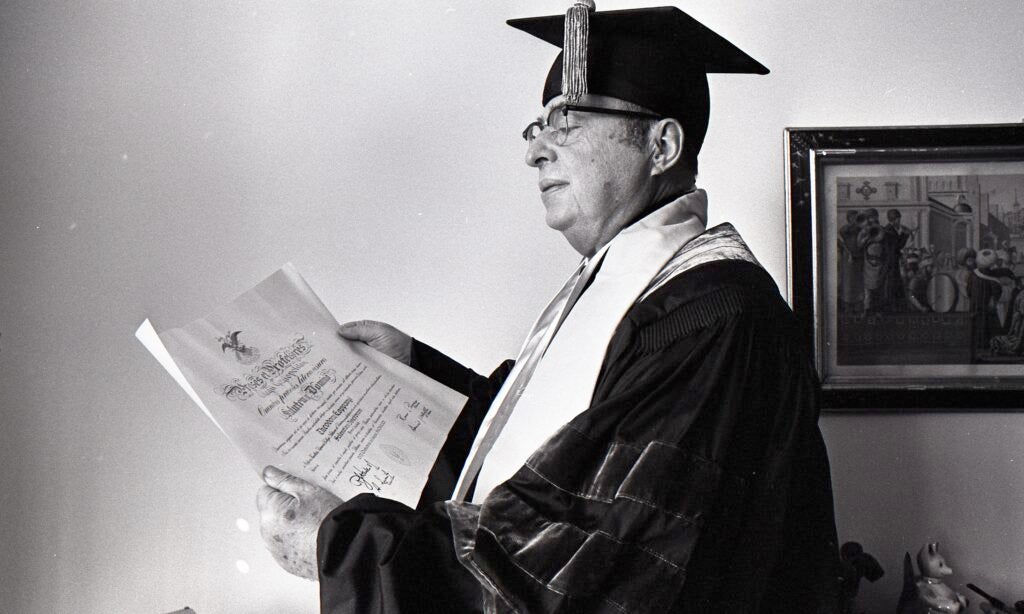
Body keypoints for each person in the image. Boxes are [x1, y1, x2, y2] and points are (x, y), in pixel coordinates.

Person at [256, 6, 841, 613]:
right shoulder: (620, 282)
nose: (535, 153)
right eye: (535, 129)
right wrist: (410, 372)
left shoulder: (715, 318)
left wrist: (342, 545)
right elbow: (557, 457)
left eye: (566, 124)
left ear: (661, 144)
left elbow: (593, 556)